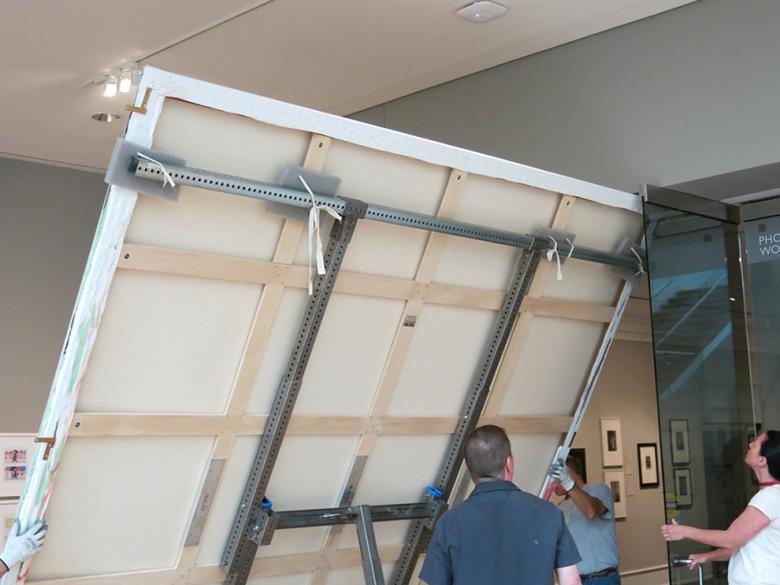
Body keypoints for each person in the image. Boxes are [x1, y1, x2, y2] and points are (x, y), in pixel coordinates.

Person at [419, 425, 582, 585]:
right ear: (509, 463)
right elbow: (571, 581)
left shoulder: (448, 523)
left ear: (469, 467)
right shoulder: (549, 514)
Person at [660, 430, 780, 584]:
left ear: (762, 460)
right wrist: (708, 556)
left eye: (755, 444)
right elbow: (742, 545)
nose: (750, 444)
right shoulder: (770, 495)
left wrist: (685, 531)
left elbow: (730, 538)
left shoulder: (768, 497)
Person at [550, 457, 620, 584]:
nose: (553, 484)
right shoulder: (560, 508)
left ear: (568, 472)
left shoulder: (599, 489)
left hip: (602, 579)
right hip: (575, 580)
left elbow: (591, 511)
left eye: (556, 479)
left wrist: (567, 482)